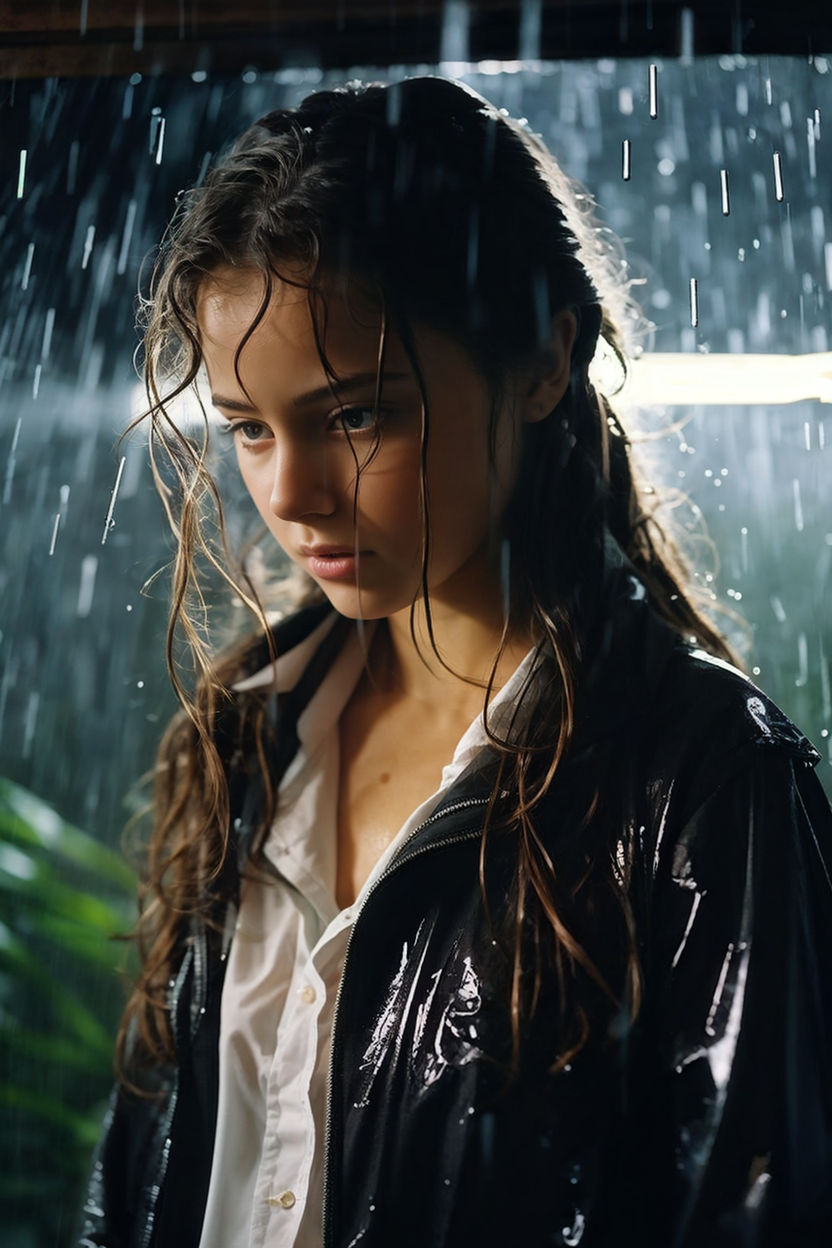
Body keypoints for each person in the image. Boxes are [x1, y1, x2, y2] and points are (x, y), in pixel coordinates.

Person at [79, 76, 832, 1248]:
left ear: (539, 361)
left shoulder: (706, 786)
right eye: (249, 428)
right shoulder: (241, 739)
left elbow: (762, 1212)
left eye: (356, 415)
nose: (290, 495)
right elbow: (136, 1184)